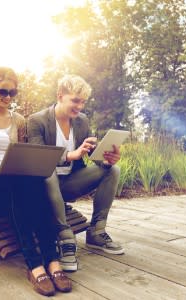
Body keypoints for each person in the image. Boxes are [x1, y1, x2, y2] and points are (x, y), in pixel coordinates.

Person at [0, 67, 72, 296]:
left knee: (33, 183)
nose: (8, 97)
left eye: (13, 92)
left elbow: (23, 153)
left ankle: (51, 261)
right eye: (3, 91)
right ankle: (35, 263)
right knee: (21, 186)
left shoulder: (19, 120)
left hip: (14, 184)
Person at [27, 74, 123, 272]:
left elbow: (87, 157)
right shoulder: (37, 120)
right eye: (75, 101)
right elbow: (38, 158)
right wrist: (71, 154)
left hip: (71, 182)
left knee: (112, 170)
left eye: (83, 102)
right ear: (60, 95)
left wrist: (105, 158)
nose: (79, 107)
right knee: (47, 172)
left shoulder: (82, 121)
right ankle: (65, 237)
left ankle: (96, 232)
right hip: (45, 185)